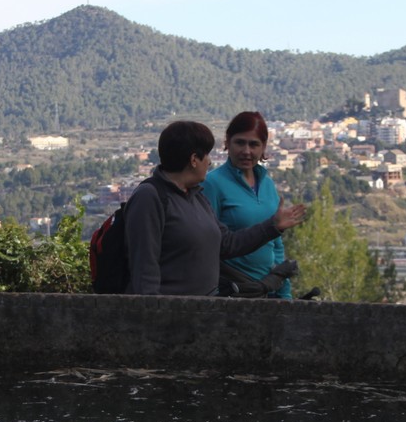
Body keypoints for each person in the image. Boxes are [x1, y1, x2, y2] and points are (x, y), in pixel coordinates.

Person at [124, 120, 305, 295]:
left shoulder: (197, 197)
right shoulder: (150, 197)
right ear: (194, 159)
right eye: (207, 155)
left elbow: (226, 244)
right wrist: (153, 310)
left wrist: (273, 226)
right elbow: (144, 266)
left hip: (202, 308)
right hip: (170, 310)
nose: (209, 162)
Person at [201, 111, 295, 299]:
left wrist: (283, 292)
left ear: (264, 147)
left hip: (266, 291)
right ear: (227, 143)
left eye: (254, 144)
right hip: (231, 292)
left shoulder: (267, 184)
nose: (246, 151)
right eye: (240, 143)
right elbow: (208, 243)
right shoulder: (212, 184)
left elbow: (276, 244)